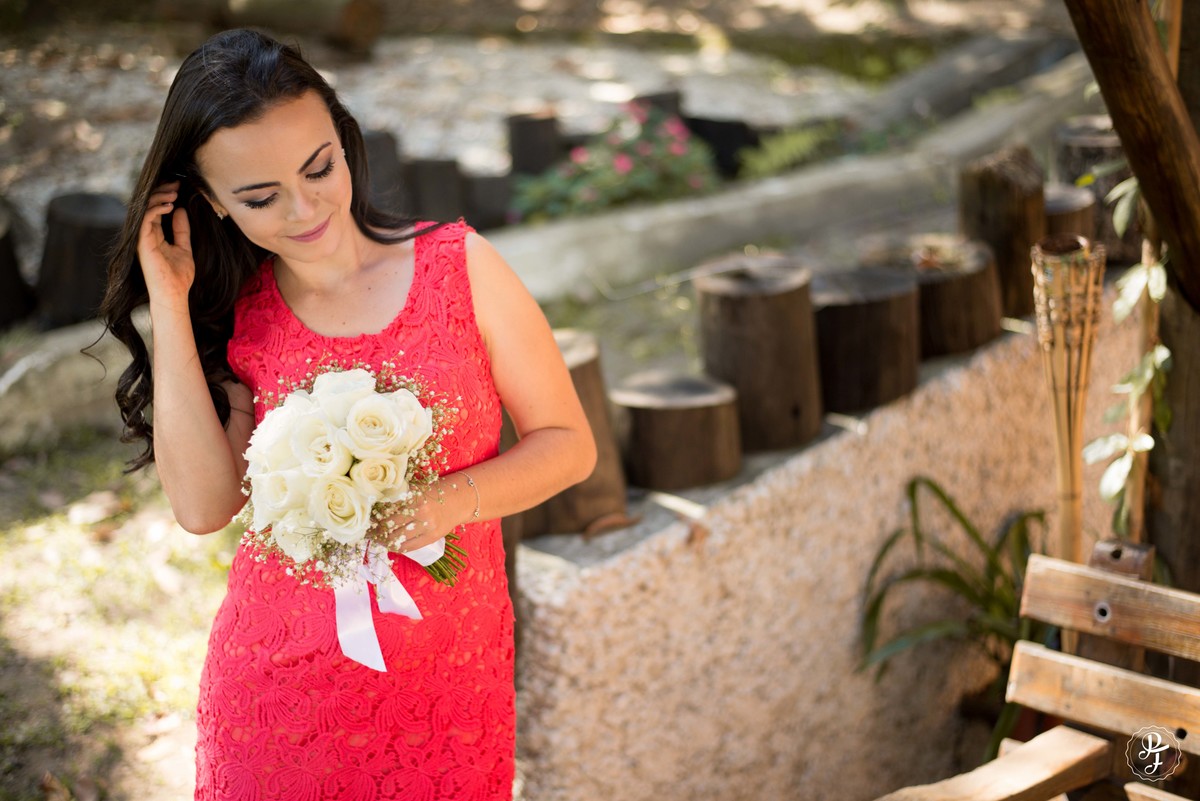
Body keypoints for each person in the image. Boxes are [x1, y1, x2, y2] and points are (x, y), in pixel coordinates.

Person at [101, 28, 596, 800]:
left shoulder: (460, 267)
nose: (303, 209)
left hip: (449, 685)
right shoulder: (239, 313)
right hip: (280, 697)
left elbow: (567, 445)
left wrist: (438, 502)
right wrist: (168, 296)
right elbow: (203, 506)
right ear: (213, 206)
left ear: (345, 138)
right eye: (259, 197)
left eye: (318, 166)